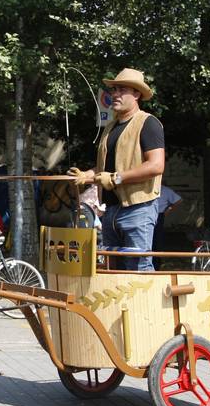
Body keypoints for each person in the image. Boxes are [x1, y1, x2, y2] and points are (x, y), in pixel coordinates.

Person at [68, 68, 165, 271]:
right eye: (113, 90)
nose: (114, 94)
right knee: (114, 269)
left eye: (121, 90)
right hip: (110, 210)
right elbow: (105, 169)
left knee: (138, 268)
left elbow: (156, 165)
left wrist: (116, 179)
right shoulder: (110, 127)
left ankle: (146, 304)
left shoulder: (148, 123)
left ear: (137, 94)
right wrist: (87, 175)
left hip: (139, 208)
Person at [152, 185, 182, 269]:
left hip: (159, 215)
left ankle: (156, 264)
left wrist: (168, 209)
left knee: (156, 240)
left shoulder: (165, 190)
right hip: (147, 214)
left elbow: (178, 200)